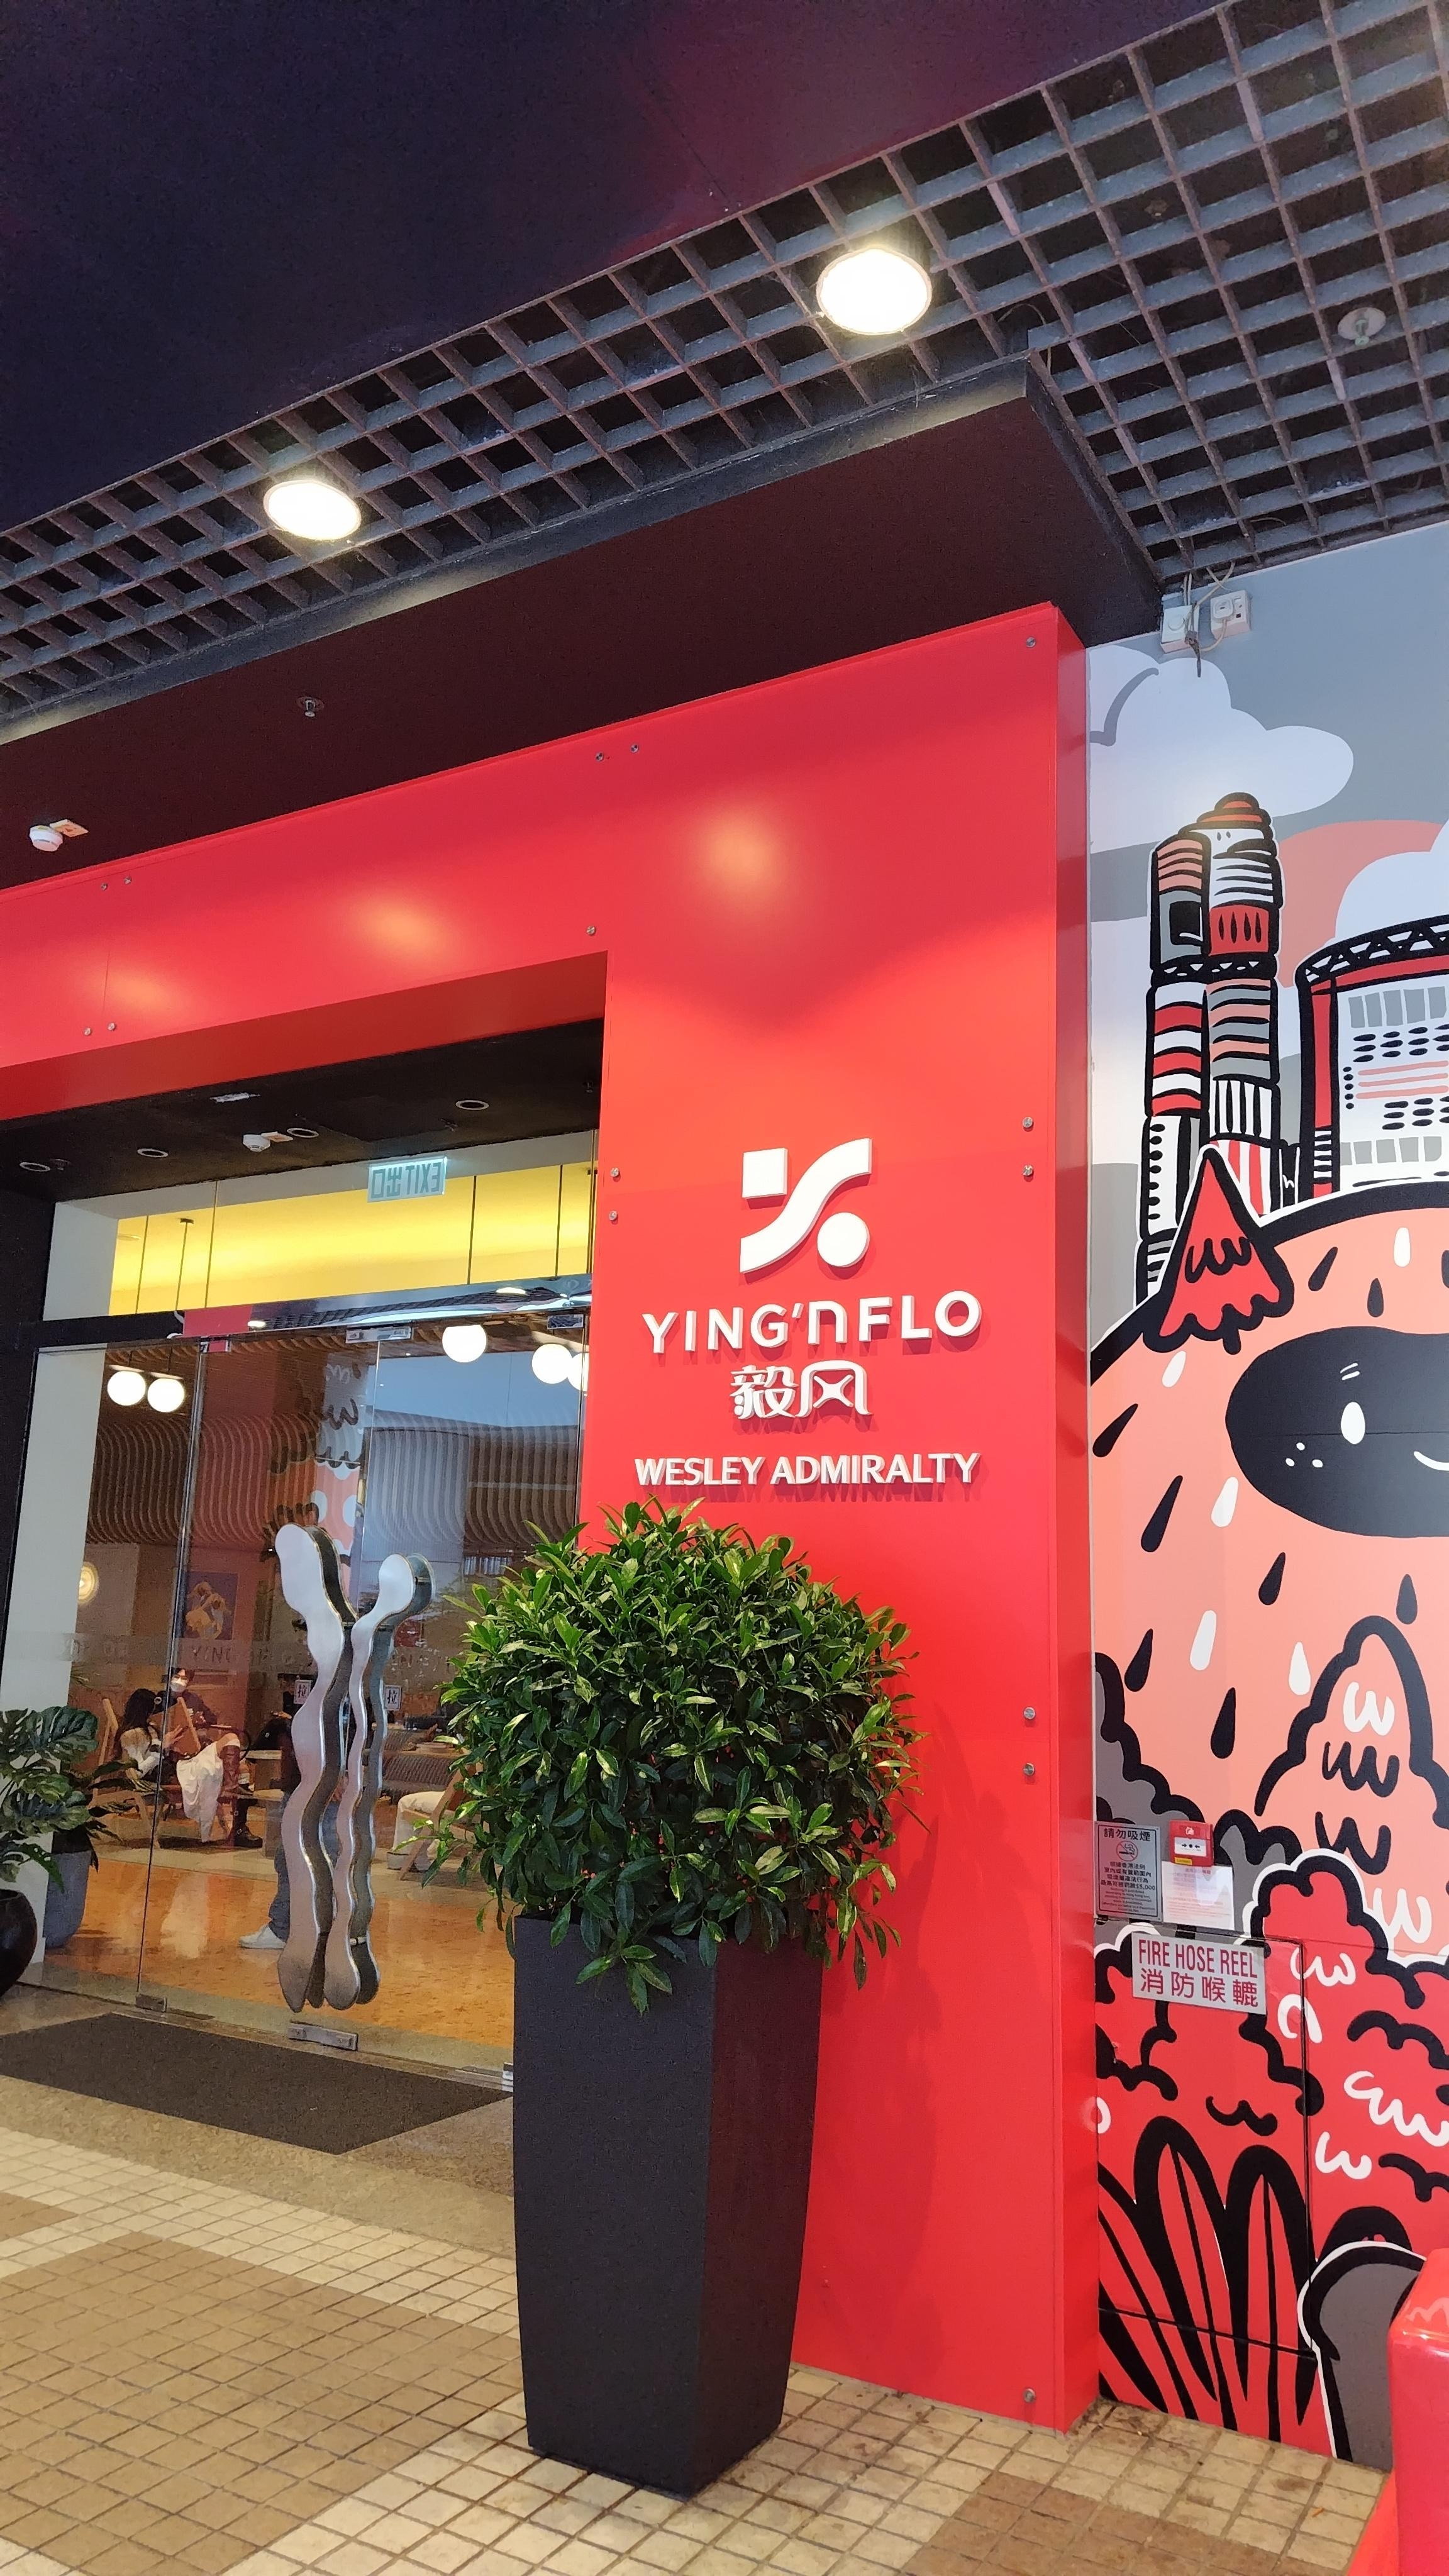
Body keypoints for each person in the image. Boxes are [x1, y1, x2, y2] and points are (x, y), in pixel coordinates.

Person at [238, 1709, 339, 1952]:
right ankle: (307, 1928)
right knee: (295, 1861)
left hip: (317, 1787)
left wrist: (337, 1772)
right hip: (304, 1784)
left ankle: (286, 1929)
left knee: (306, 1861)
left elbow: (345, 1730)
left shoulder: (336, 1701)